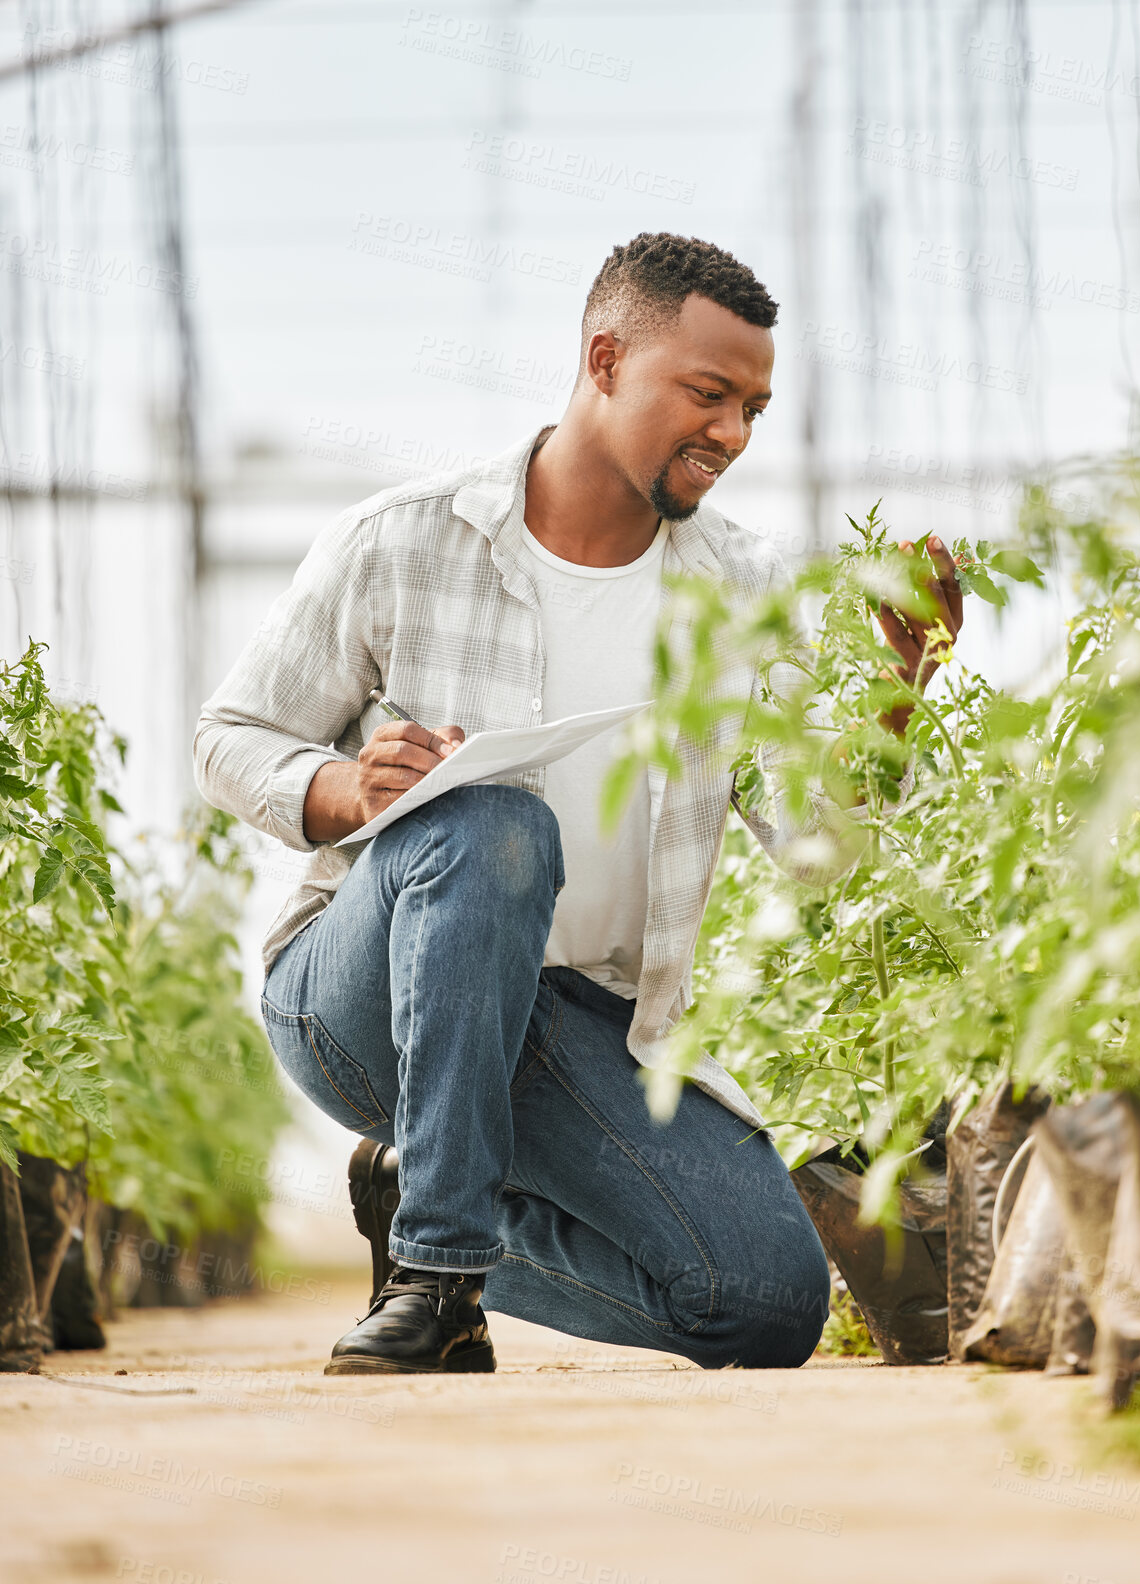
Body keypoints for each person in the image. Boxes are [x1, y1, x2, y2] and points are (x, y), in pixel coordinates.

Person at [193, 232, 963, 1376]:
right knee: (491, 824)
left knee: (762, 1305)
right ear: (604, 359)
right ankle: (436, 1281)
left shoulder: (744, 599)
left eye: (752, 407)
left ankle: (421, 1206)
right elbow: (228, 737)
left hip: (575, 1022)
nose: (732, 435)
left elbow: (814, 849)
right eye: (706, 395)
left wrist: (899, 695)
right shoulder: (405, 542)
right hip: (360, 1009)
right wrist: (347, 785)